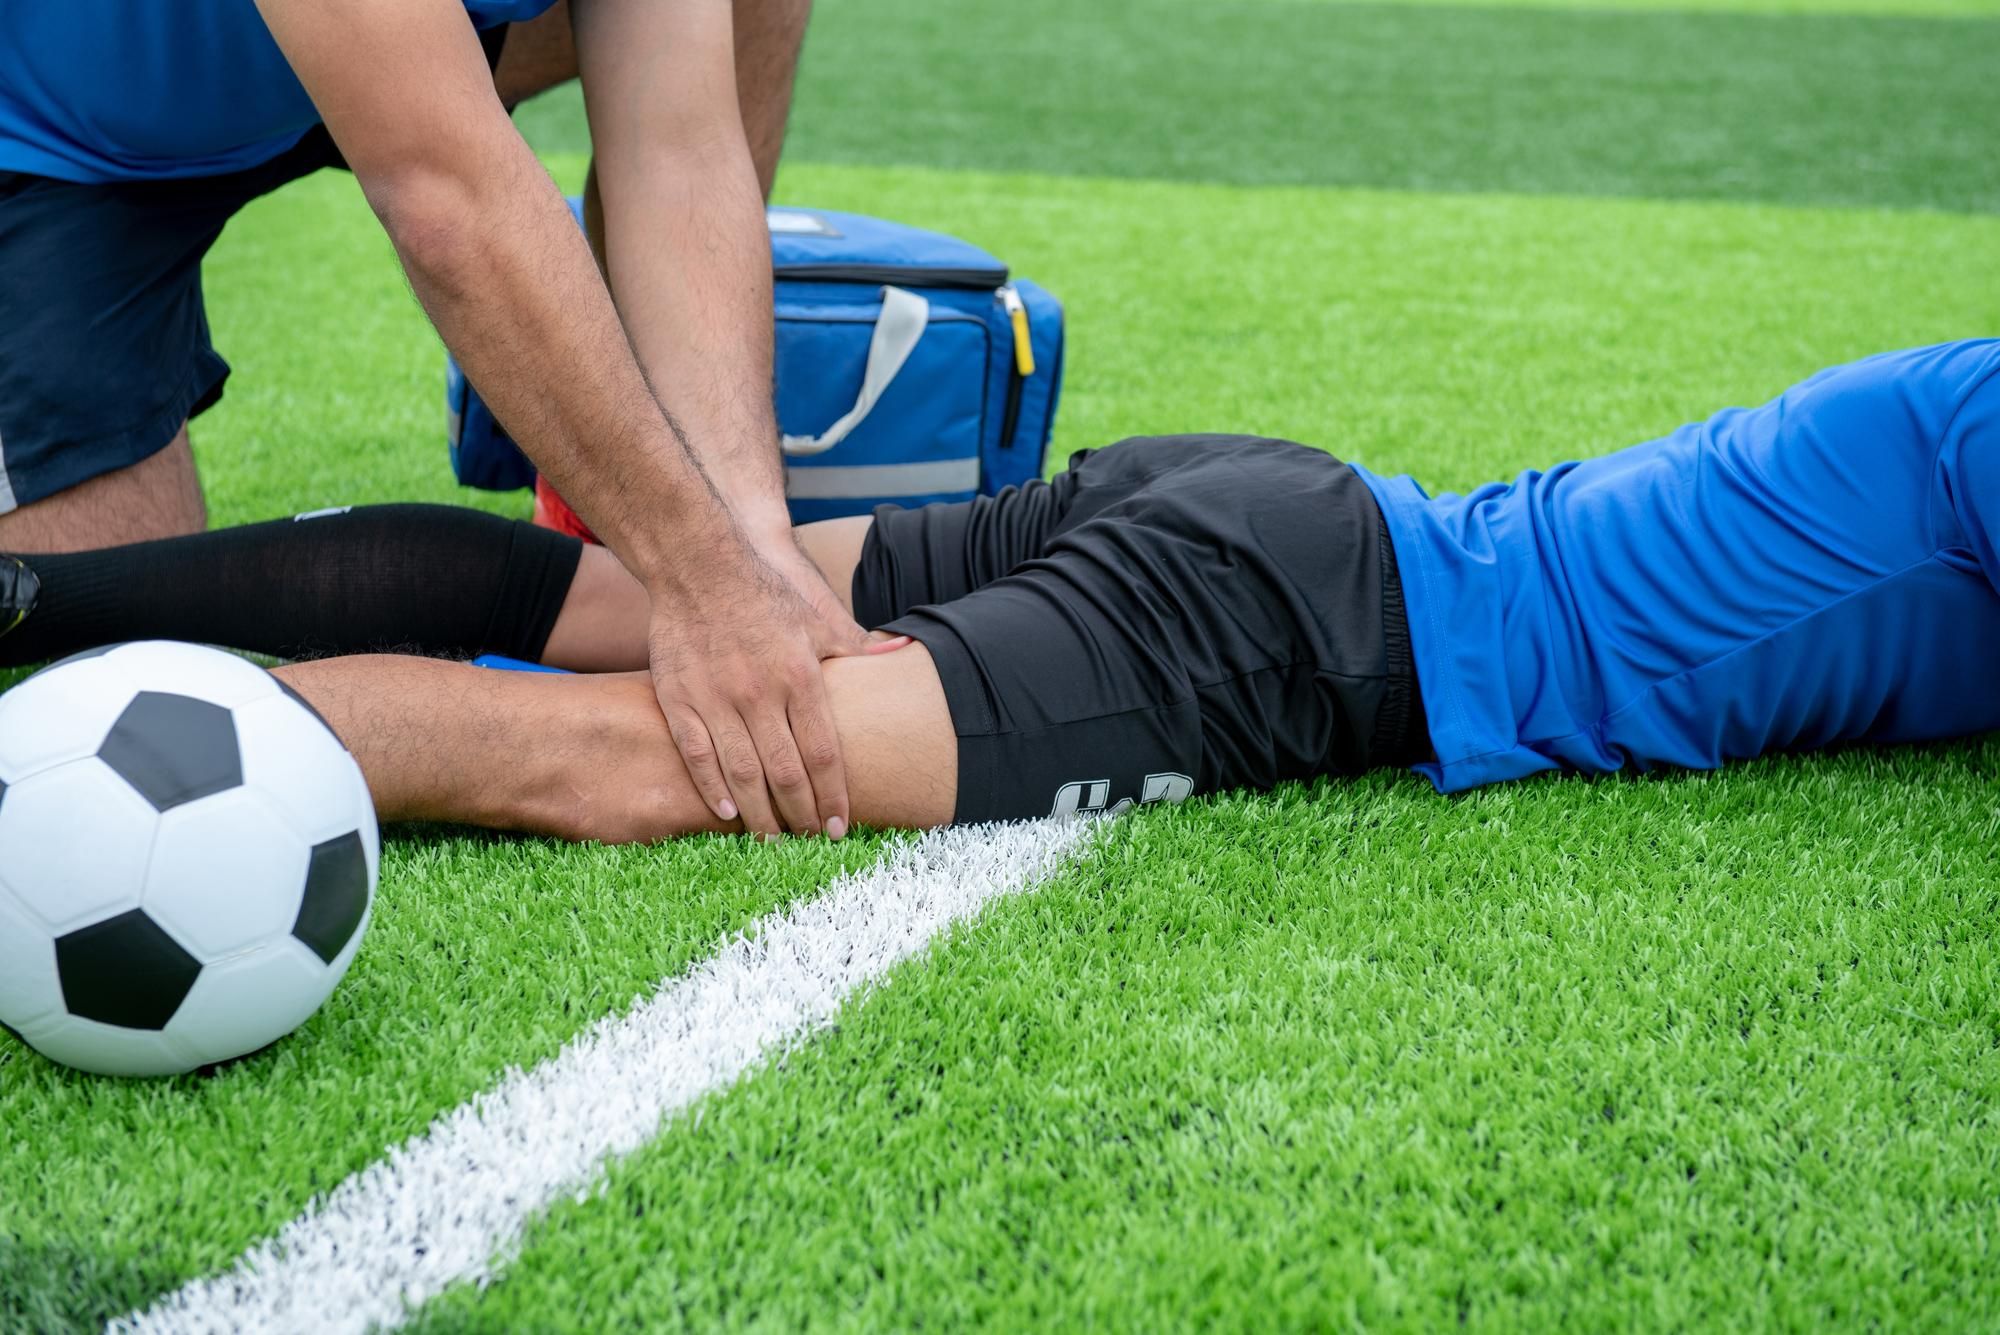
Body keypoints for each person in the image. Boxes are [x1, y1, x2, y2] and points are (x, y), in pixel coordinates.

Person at [3, 341, 1999, 841]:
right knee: (652, 751)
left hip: (1272, 502)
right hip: (1311, 626)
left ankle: (29, 612)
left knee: (610, 598)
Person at [0, 0, 871, 843]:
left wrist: (749, 538)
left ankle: (613, 502)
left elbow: (676, 153)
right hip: (50, 130)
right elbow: (444, 195)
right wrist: (709, 586)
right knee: (97, 695)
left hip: (381, 49)